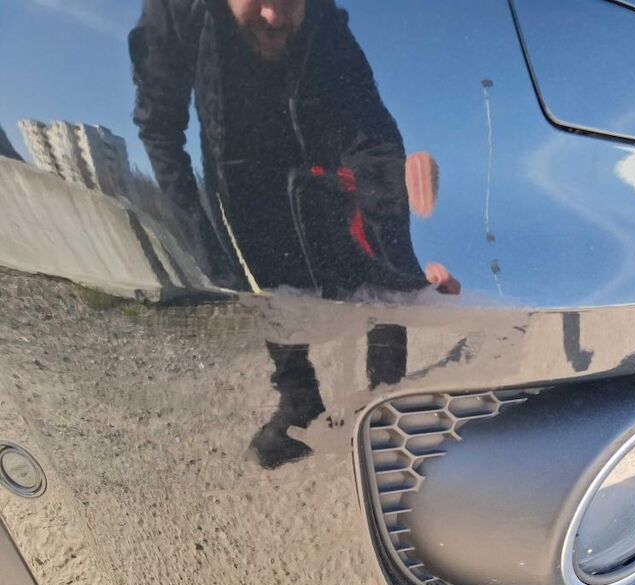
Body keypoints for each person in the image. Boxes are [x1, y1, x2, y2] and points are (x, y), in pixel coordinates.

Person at [130, 0, 457, 468]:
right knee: (262, 276)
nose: (272, 15)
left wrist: (395, 253)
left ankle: (386, 397)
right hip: (238, 162)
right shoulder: (176, 12)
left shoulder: (327, 25)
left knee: (380, 252)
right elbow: (160, 127)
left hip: (324, 149)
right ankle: (299, 398)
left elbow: (371, 130)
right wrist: (201, 237)